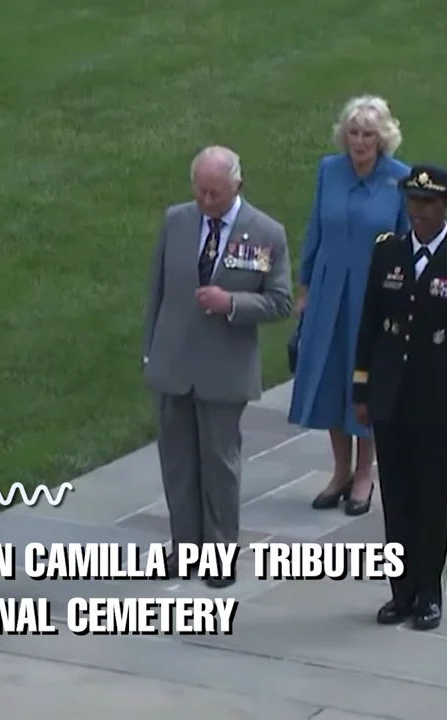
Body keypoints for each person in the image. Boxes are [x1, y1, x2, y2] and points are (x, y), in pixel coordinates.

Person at [352, 165, 447, 630]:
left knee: (434, 504)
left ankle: (430, 593)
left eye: (428, 204)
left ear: (446, 207)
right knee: (398, 500)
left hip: (441, 404)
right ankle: (402, 591)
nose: (419, 212)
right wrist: (361, 388)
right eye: (413, 202)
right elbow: (370, 325)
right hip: (392, 398)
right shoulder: (387, 253)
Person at [142, 145, 292, 588]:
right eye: (201, 192)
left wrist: (232, 303)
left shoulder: (266, 233)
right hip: (174, 363)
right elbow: (157, 291)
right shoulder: (177, 221)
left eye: (216, 194)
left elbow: (279, 300)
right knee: (177, 463)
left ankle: (220, 552)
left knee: (218, 463)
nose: (207, 202)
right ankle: (184, 547)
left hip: (224, 368)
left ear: (237, 187)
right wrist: (151, 351)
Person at [290, 96, 410, 517]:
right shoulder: (330, 171)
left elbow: (406, 244)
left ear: (383, 139)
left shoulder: (400, 180)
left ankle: (365, 474)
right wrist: (304, 288)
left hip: (374, 293)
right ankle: (339, 470)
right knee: (329, 377)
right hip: (328, 289)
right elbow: (315, 230)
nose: (360, 142)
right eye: (354, 133)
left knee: (365, 383)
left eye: (369, 135)